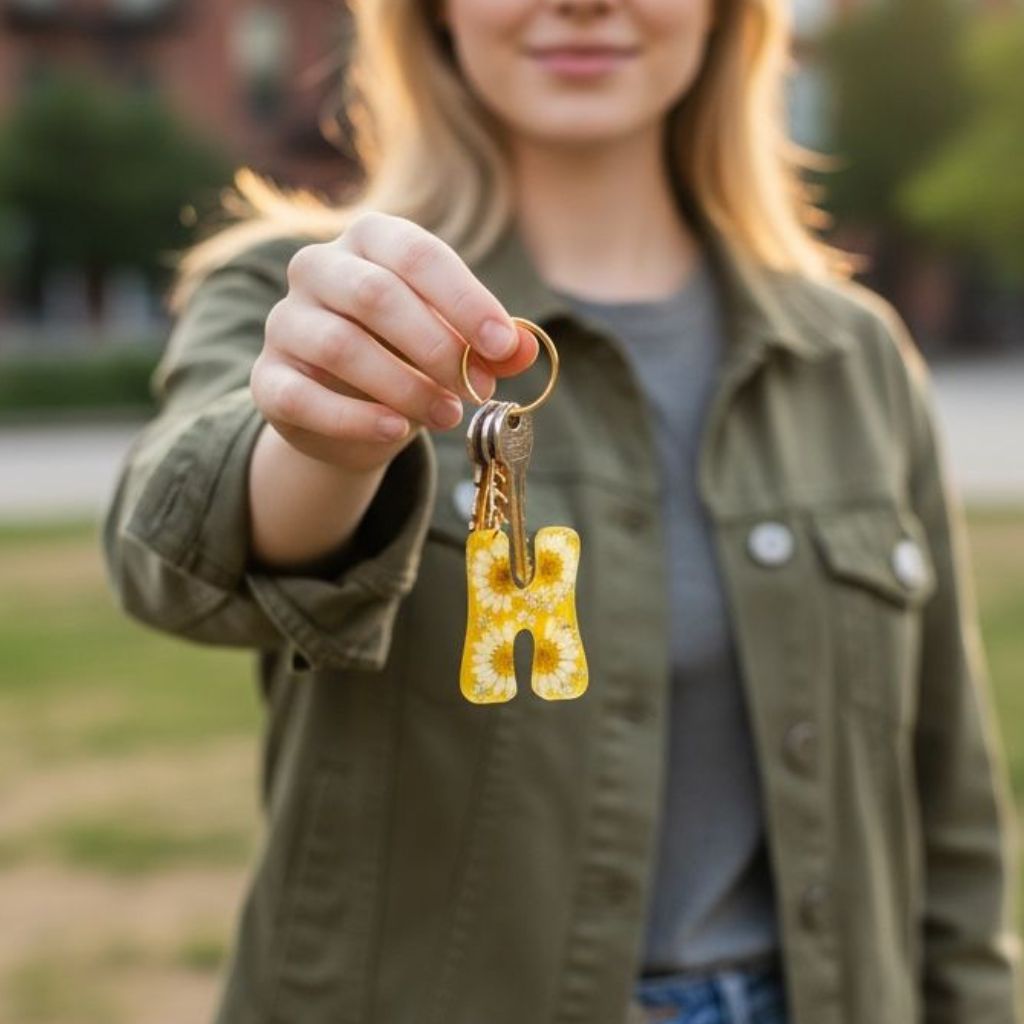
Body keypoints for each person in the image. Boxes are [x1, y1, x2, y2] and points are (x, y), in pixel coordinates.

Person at [100, 0, 1021, 1022]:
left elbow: (951, 824)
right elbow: (172, 565)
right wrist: (324, 439)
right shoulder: (313, 297)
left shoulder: (853, 355)